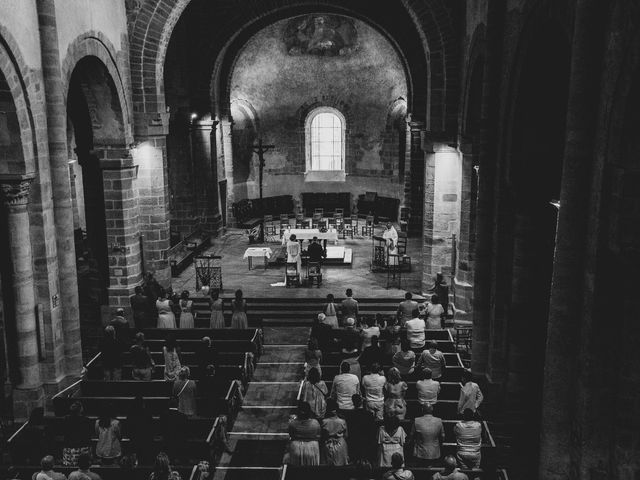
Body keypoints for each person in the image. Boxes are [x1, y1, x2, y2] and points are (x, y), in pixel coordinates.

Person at [287, 401, 321, 465]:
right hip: (312, 448)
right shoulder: (315, 423)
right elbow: (318, 436)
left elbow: (291, 435)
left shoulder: (292, 423)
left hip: (296, 448)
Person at [346, 394, 376, 464]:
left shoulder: (350, 415)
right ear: (361, 402)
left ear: (353, 403)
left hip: (354, 441)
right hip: (366, 441)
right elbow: (372, 431)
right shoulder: (369, 414)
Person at [62, 401, 92, 466]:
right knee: (83, 466)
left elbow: (64, 431)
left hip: (70, 447)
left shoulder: (66, 419)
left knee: (70, 466)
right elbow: (89, 433)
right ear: (81, 410)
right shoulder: (86, 420)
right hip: (82, 446)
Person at [127, 396, 154, 465]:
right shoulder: (147, 413)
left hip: (134, 438)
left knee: (134, 460)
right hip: (145, 439)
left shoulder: (131, 414)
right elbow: (151, 426)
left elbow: (128, 427)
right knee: (144, 459)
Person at [321, 399, 349, 465]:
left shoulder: (324, 422)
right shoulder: (342, 421)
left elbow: (322, 435)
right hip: (340, 444)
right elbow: (346, 435)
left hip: (328, 444)